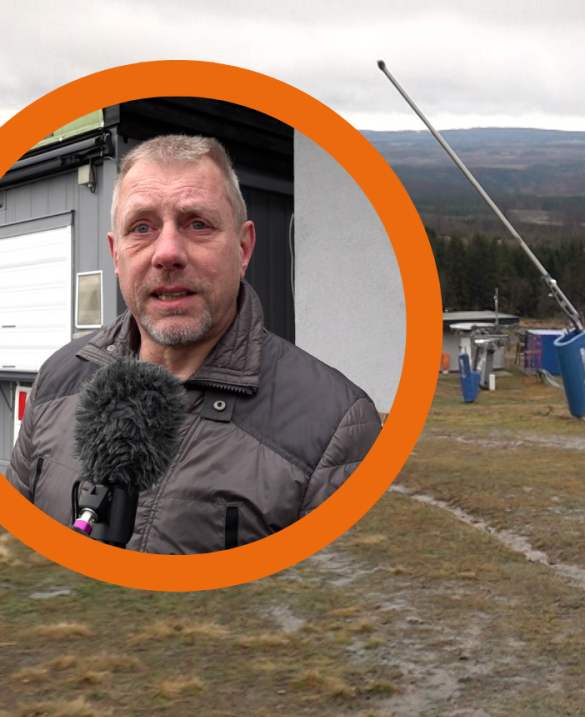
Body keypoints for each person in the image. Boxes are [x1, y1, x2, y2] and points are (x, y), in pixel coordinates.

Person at [7, 135, 382, 553]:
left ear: (243, 249)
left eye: (197, 224)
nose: (167, 253)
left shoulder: (336, 425)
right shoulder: (58, 376)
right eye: (142, 227)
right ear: (116, 256)